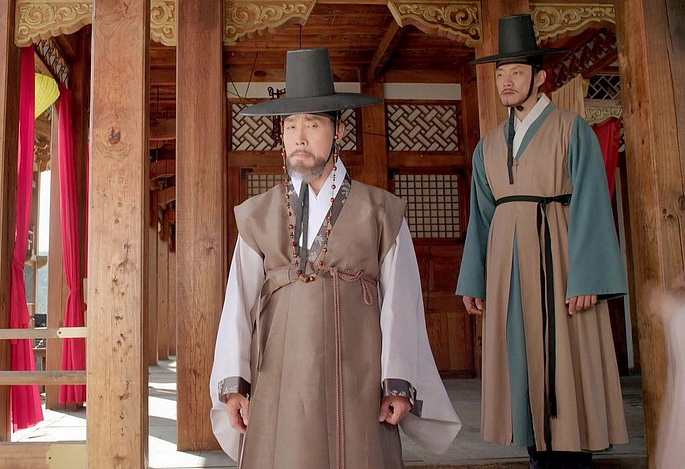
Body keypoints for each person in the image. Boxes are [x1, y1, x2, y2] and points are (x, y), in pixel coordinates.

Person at [210, 47, 461, 469]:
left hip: (357, 377)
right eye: (290, 125)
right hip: (279, 377)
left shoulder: (381, 212)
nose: (300, 137)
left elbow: (401, 305)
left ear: (339, 130)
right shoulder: (258, 215)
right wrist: (235, 384)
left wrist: (397, 381)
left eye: (313, 124)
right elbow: (238, 302)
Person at [457, 14, 628, 469]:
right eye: (500, 74)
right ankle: (535, 455)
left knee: (569, 365)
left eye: (516, 72)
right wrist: (474, 279)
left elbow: (592, 202)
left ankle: (574, 458)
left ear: (540, 77)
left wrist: (588, 276)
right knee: (521, 362)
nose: (506, 82)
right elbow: (482, 216)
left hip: (561, 261)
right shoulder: (488, 146)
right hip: (509, 266)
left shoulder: (572, 129)